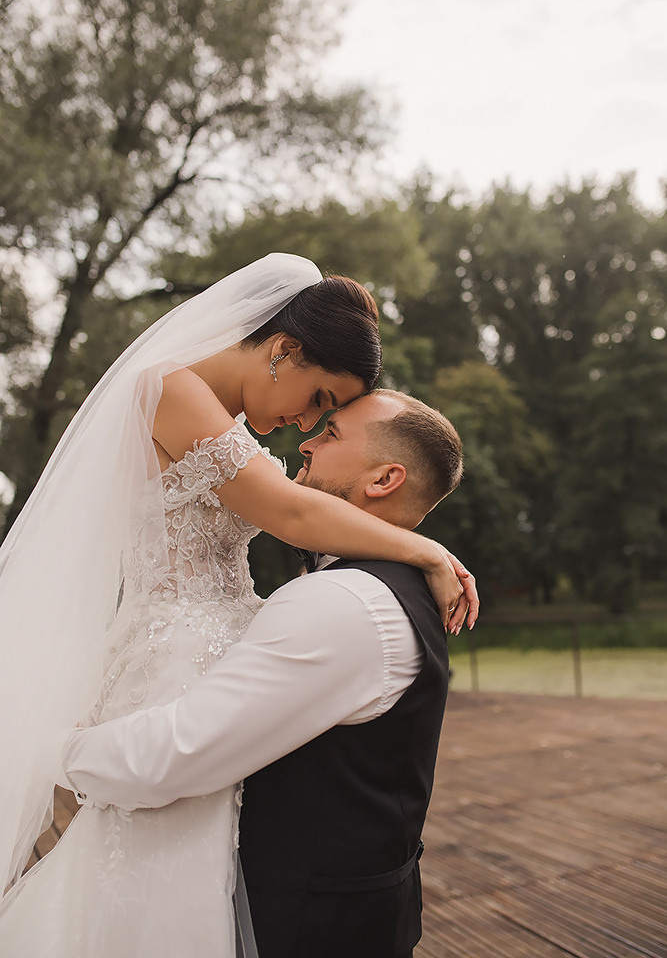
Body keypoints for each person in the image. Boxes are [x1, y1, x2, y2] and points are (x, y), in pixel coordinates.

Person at [0, 254, 476, 957]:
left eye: (327, 417)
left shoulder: (228, 427)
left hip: (228, 647)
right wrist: (427, 551)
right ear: (283, 351)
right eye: (318, 398)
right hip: (171, 652)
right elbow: (292, 513)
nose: (306, 423)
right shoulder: (166, 388)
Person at [54, 388, 466, 958]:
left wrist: (48, 755)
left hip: (307, 929)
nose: (307, 439)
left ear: (383, 479)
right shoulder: (388, 590)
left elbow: (174, 753)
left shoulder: (342, 604)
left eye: (332, 433)